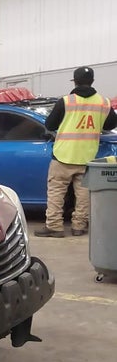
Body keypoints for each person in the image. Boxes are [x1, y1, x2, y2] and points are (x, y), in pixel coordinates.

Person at [35, 66, 117, 237]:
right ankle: (79, 226)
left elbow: (50, 125)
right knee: (84, 194)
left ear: (75, 81)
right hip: (87, 156)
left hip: (63, 155)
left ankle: (54, 227)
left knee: (57, 192)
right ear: (92, 81)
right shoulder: (103, 102)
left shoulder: (66, 101)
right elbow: (110, 125)